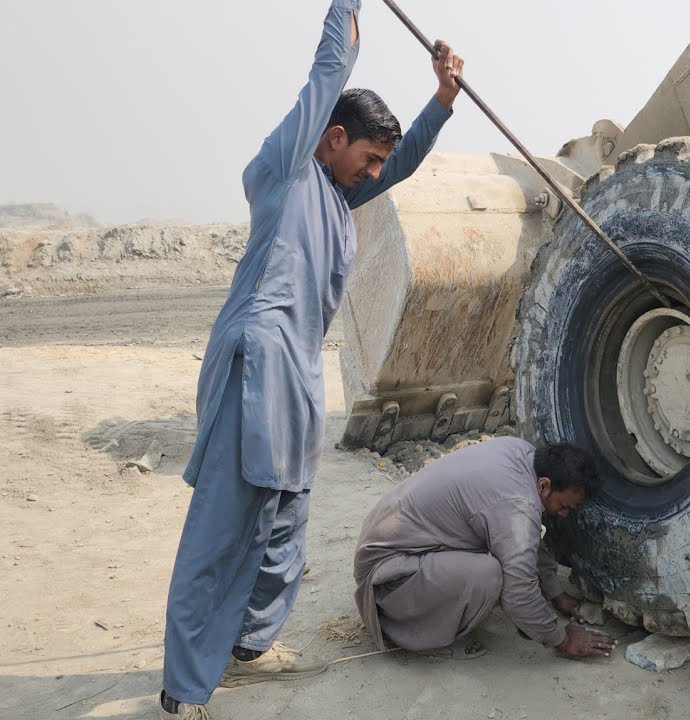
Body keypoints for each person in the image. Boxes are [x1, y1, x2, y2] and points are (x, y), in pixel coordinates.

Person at [159, 1, 464, 717]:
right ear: (330, 137)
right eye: (367, 156)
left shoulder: (338, 192)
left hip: (298, 376)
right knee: (223, 528)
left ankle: (248, 646)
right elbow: (329, 68)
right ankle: (184, 686)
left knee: (285, 525)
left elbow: (408, 159)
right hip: (255, 363)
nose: (375, 172)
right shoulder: (285, 173)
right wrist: (348, 7)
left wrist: (445, 97)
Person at [353, 437, 618, 660]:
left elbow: (529, 538)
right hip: (385, 580)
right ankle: (429, 639)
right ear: (544, 485)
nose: (563, 515)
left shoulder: (521, 453)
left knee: (496, 556)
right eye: (564, 507)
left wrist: (555, 593)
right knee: (488, 574)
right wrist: (562, 638)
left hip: (395, 547)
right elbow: (519, 595)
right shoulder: (517, 502)